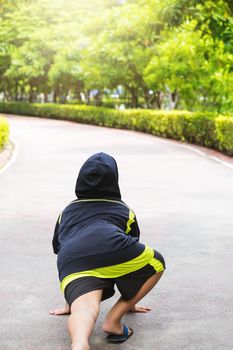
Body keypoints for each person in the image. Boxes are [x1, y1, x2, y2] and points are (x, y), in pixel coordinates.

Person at [50, 152, 165, 350]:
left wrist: (71, 301)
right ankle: (113, 320)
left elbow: (59, 247)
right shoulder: (123, 210)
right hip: (112, 246)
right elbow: (129, 260)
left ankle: (79, 344)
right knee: (157, 263)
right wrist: (130, 302)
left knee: (84, 307)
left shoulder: (66, 212)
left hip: (72, 260)